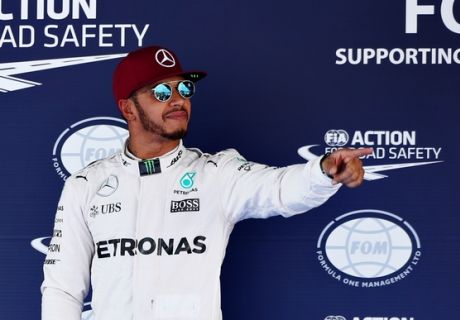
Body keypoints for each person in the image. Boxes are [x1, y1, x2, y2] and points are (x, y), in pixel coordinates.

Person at [41, 45, 372, 320]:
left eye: (184, 88)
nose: (177, 99)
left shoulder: (216, 173)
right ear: (128, 109)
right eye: (161, 91)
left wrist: (323, 172)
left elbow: (280, 189)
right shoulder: (85, 184)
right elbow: (63, 288)